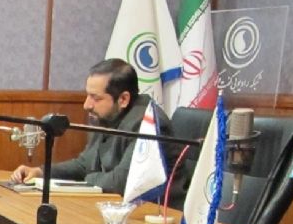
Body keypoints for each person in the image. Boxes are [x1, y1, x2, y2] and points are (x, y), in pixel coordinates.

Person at [10, 58, 181, 202]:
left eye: (96, 98)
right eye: (88, 95)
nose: (86, 105)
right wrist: (40, 172)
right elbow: (84, 164)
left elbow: (120, 183)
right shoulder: (109, 116)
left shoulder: (148, 124)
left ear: (123, 99)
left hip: (158, 215)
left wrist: (89, 177)